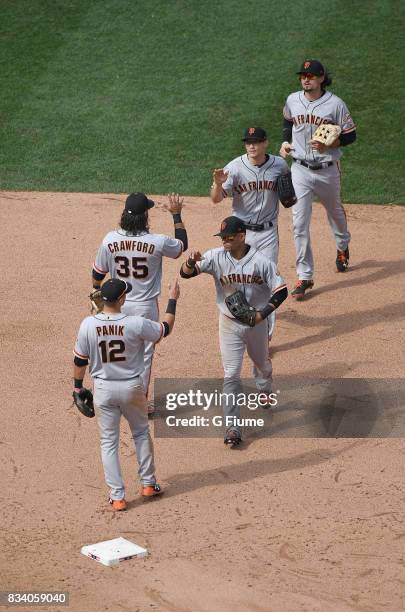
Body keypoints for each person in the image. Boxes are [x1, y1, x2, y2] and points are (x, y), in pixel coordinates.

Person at [73, 277, 180, 510]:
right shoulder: (136, 323)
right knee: (141, 433)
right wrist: (173, 299)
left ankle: (118, 497)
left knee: (108, 443)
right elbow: (165, 329)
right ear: (122, 299)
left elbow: (80, 360)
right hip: (132, 387)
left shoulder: (87, 325)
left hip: (103, 389)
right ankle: (148, 484)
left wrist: (78, 387)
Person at [180, 216, 288, 446]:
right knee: (231, 373)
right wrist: (190, 263)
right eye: (222, 237)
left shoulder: (261, 261)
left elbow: (281, 291)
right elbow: (185, 274)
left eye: (229, 237)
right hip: (228, 323)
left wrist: (261, 315)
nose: (225, 241)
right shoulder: (215, 256)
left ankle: (264, 386)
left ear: (242, 236)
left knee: (262, 364)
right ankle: (233, 427)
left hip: (256, 324)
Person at [91, 192, 188, 409]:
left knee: (113, 347)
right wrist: (176, 214)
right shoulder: (157, 241)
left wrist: (97, 292)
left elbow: (98, 274)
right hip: (145, 308)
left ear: (124, 215)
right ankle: (139, 402)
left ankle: (109, 394)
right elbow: (182, 246)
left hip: (116, 303)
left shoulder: (110, 239)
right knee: (144, 356)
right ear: (145, 216)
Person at [280, 59, 357, 300]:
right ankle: (305, 276)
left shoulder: (335, 104)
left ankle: (343, 246)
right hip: (300, 169)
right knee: (299, 223)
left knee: (335, 213)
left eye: (311, 76)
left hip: (327, 170)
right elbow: (287, 122)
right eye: (303, 75)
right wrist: (285, 142)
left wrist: (332, 143)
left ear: (321, 78)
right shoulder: (293, 99)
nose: (306, 79)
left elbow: (350, 134)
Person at [210, 127, 291, 337]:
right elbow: (216, 198)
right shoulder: (235, 167)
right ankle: (239, 324)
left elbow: (289, 193)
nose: (252, 146)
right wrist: (217, 184)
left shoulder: (279, 165)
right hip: (241, 235)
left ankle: (265, 335)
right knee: (240, 280)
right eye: (248, 142)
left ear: (265, 143)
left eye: (256, 141)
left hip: (268, 234)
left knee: (266, 282)